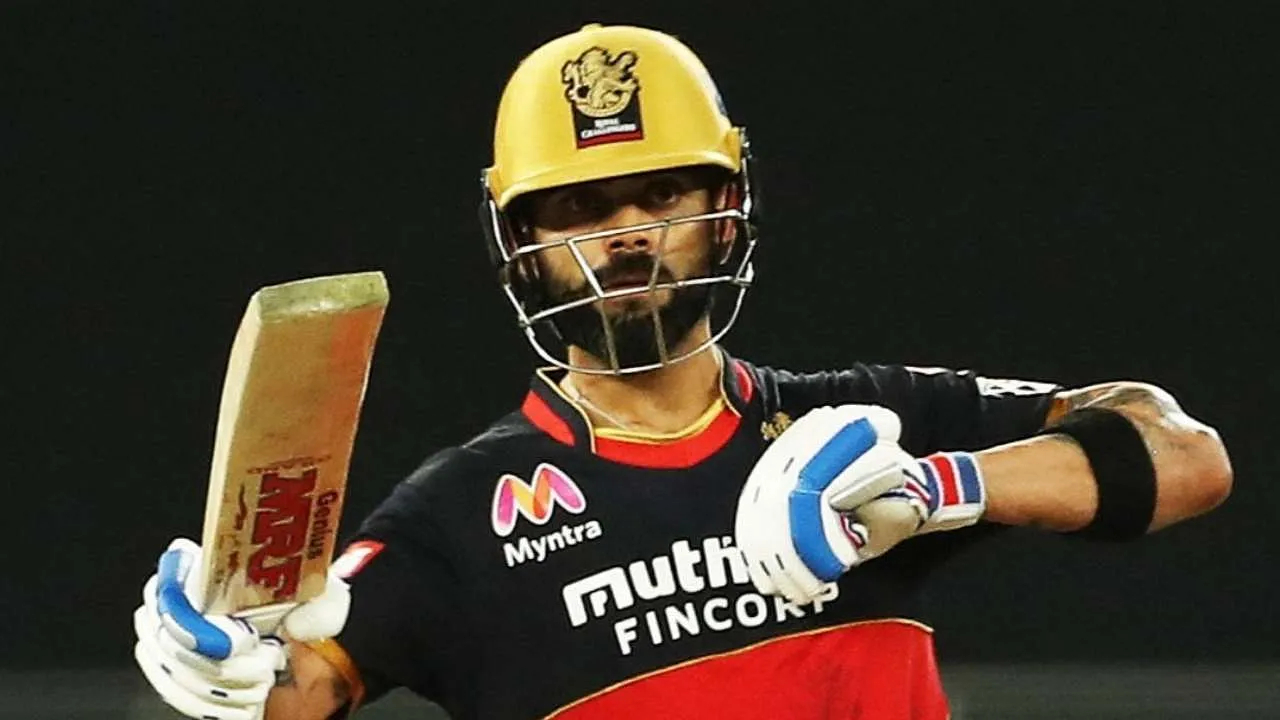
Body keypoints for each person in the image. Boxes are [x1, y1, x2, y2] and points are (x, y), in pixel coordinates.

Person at [131, 22, 1233, 720]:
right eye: (577, 208)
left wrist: (927, 490)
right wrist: (229, 660)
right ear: (519, 241)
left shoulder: (860, 429)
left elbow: (1186, 458)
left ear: (725, 209)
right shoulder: (457, 518)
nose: (624, 237)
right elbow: (298, 687)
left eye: (661, 195)